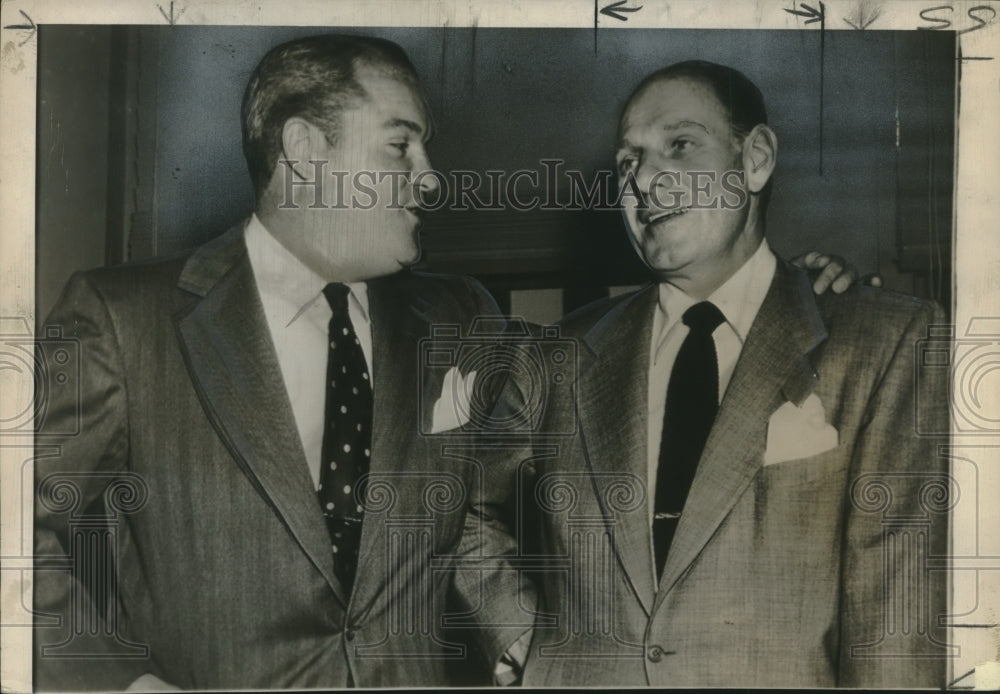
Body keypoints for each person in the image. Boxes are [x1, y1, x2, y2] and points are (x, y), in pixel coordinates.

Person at [32, 34, 529, 690]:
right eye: (400, 144)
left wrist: (517, 632)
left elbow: (464, 512)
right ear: (304, 149)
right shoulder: (121, 321)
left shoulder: (458, 318)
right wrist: (120, 684)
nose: (430, 176)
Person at [478, 60, 950, 687]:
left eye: (679, 145)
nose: (644, 179)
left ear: (755, 159)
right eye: (628, 162)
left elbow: (896, 612)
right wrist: (520, 638)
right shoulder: (554, 354)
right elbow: (450, 499)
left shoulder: (886, 340)